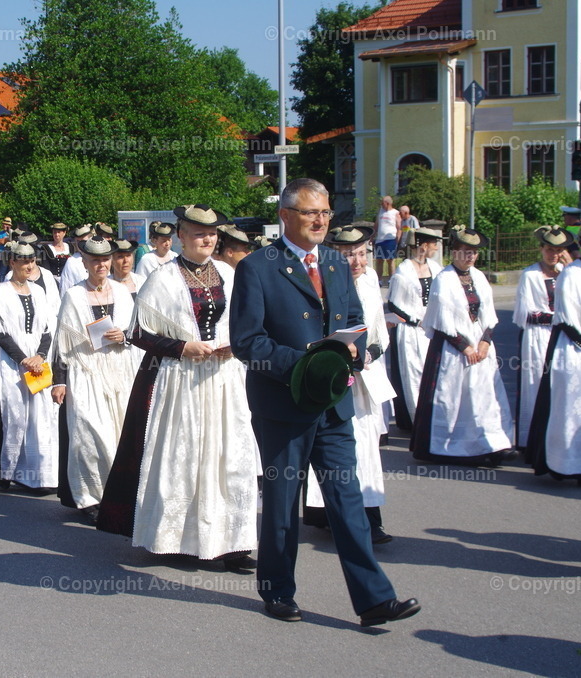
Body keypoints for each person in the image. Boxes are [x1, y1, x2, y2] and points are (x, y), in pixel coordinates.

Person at [231, 178, 419, 626]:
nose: (321, 221)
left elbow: (353, 319)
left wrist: (354, 349)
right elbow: (247, 342)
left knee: (347, 500)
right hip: (284, 404)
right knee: (281, 503)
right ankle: (277, 590)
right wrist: (303, 366)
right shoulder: (258, 267)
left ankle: (374, 599)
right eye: (311, 213)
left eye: (326, 213)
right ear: (285, 216)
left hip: (334, 403)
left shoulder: (335, 262)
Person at [98, 204, 260, 574]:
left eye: (212, 234)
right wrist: (183, 347)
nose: (207, 239)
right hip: (181, 381)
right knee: (184, 457)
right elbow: (138, 332)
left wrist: (236, 344)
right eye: (198, 233)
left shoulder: (227, 274)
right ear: (181, 237)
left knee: (228, 457)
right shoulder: (163, 278)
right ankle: (180, 540)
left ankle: (232, 543)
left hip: (223, 379)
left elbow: (246, 318)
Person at [304, 225, 396, 544]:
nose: (356, 261)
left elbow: (381, 336)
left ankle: (370, 519)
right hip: (331, 378)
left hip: (363, 379)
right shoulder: (322, 281)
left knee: (367, 449)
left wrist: (368, 353)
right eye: (348, 254)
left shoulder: (371, 283)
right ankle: (332, 515)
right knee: (335, 449)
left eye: (361, 253)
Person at [410, 226, 514, 465]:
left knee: (486, 396)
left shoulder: (479, 277)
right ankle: (456, 447)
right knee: (457, 398)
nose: (470, 257)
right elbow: (441, 320)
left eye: (474, 252)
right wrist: (465, 346)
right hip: (453, 351)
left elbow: (488, 312)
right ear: (454, 252)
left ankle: (492, 444)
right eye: (466, 251)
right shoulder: (443, 280)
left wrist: (485, 341)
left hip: (481, 348)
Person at [52, 236, 136, 520]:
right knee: (89, 434)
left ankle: (119, 496)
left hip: (120, 369)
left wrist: (123, 335)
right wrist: (59, 380)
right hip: (85, 371)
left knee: (119, 434)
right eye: (95, 260)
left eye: (105, 259)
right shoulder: (74, 295)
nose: (101, 264)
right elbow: (62, 341)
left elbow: (136, 331)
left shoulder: (123, 293)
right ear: (84, 262)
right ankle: (90, 498)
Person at [0, 241, 60, 490]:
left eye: (32, 261)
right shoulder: (0, 292)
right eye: (23, 261)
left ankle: (36, 475)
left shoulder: (39, 292)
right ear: (12, 262)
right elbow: (0, 332)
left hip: (38, 362)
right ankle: (2, 472)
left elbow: (48, 328)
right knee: (7, 418)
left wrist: (39, 355)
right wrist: (23, 359)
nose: (29, 265)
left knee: (39, 417)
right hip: (9, 363)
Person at [525, 247, 581, 481]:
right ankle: (566, 463)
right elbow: (567, 317)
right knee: (569, 407)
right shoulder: (572, 274)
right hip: (573, 348)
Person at [512, 226, 573, 450]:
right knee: (536, 383)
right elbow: (524, 313)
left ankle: (558, 439)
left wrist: (568, 270)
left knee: (561, 386)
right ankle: (533, 440)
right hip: (537, 337)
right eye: (549, 249)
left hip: (562, 337)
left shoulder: (567, 273)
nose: (553, 255)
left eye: (558, 250)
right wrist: (559, 317)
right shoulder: (530, 275)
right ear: (541, 249)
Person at [386, 226, 444, 430]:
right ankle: (415, 420)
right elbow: (394, 304)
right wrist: (414, 319)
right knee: (412, 375)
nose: (436, 248)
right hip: (410, 332)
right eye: (434, 244)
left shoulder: (436, 269)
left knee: (433, 373)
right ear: (423, 245)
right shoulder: (404, 270)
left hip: (430, 329)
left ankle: (433, 418)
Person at [58, 224, 94, 293]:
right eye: (78, 241)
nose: (80, 244)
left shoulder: (99, 258)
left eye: (83, 241)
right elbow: (65, 288)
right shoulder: (72, 262)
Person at [373, 195, 400, 282]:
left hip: (390, 239)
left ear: (387, 203)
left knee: (390, 260)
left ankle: (391, 280)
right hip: (380, 239)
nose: (381, 205)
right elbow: (376, 225)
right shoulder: (381, 211)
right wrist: (372, 236)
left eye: (382, 203)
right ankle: (379, 280)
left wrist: (397, 240)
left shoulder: (395, 213)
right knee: (379, 260)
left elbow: (399, 227)